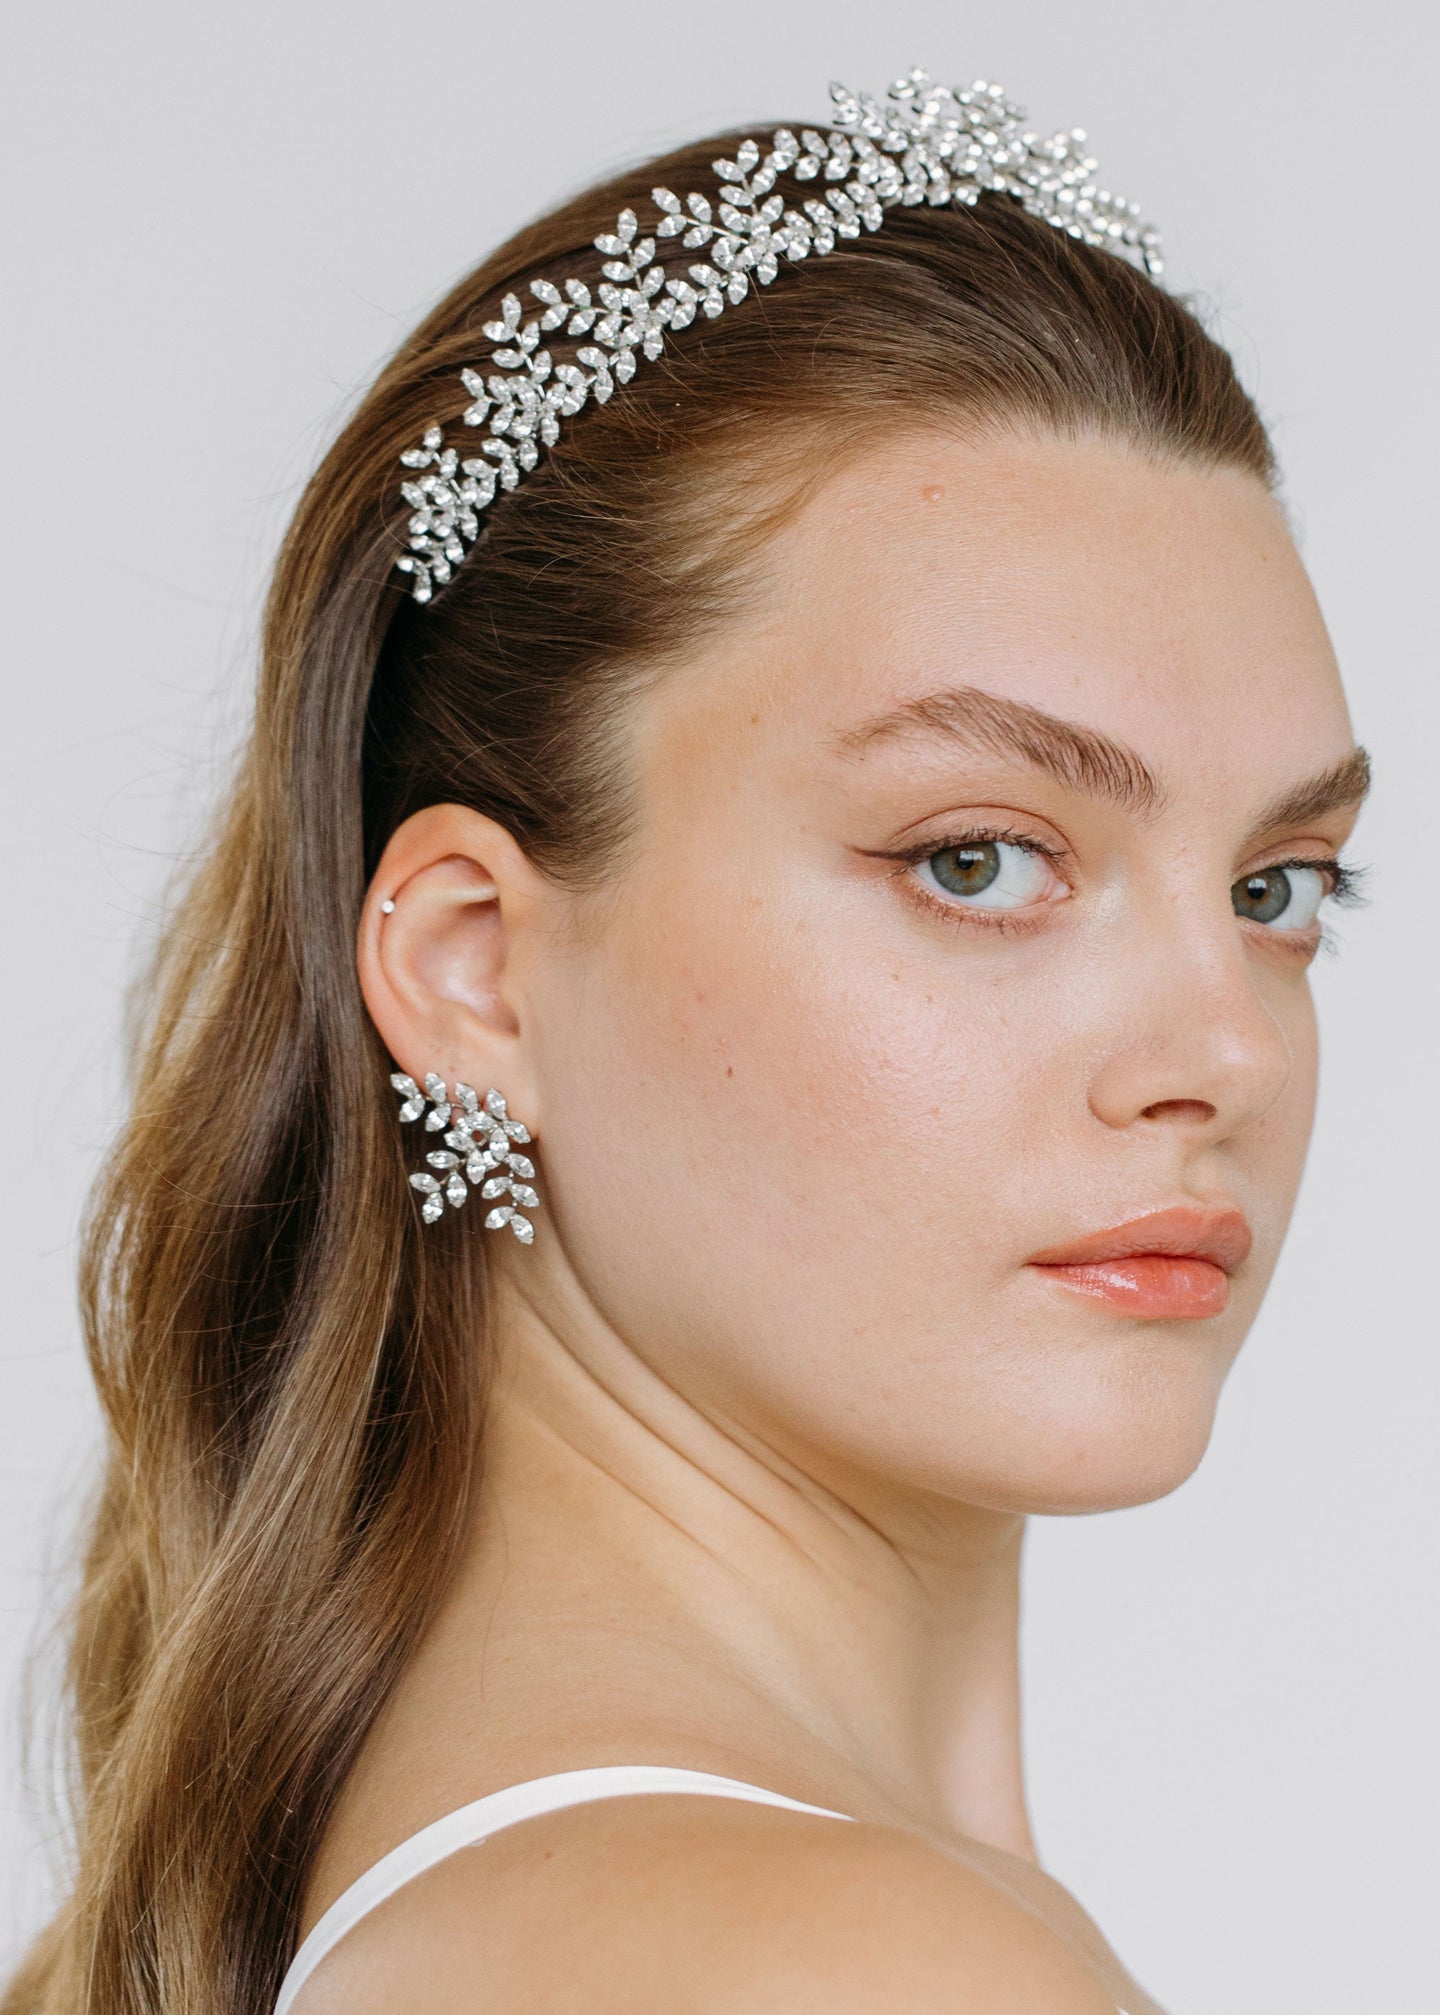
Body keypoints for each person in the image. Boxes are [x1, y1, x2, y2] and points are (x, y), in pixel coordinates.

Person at [6, 71, 1369, 2015]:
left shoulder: (464, 1921)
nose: (1223, 1049)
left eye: (1278, 887)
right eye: (976, 860)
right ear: (475, 968)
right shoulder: (848, 1970)